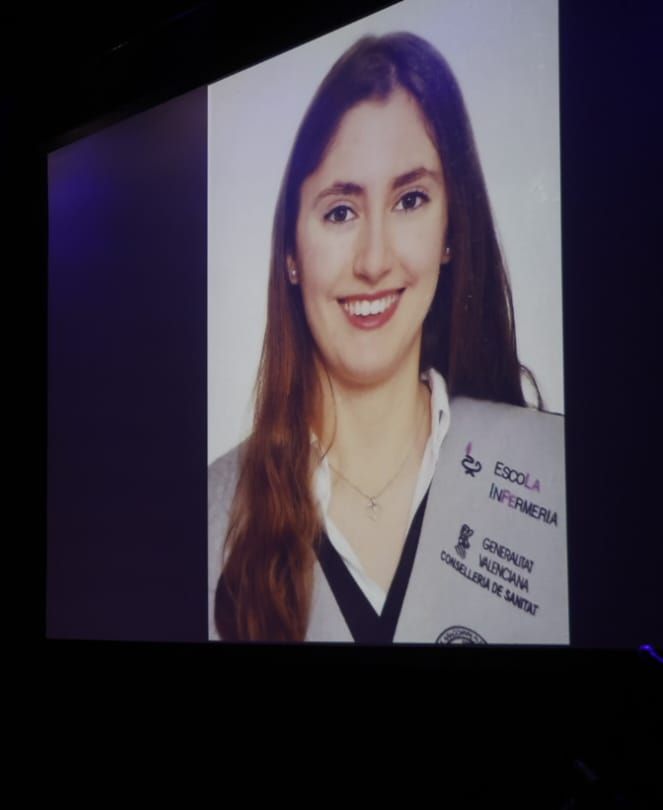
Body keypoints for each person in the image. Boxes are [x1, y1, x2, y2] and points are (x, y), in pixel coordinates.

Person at [208, 33, 568, 644]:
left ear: (450, 232)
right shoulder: (205, 518)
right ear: (291, 253)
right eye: (340, 211)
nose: (374, 261)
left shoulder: (558, 471)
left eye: (410, 200)